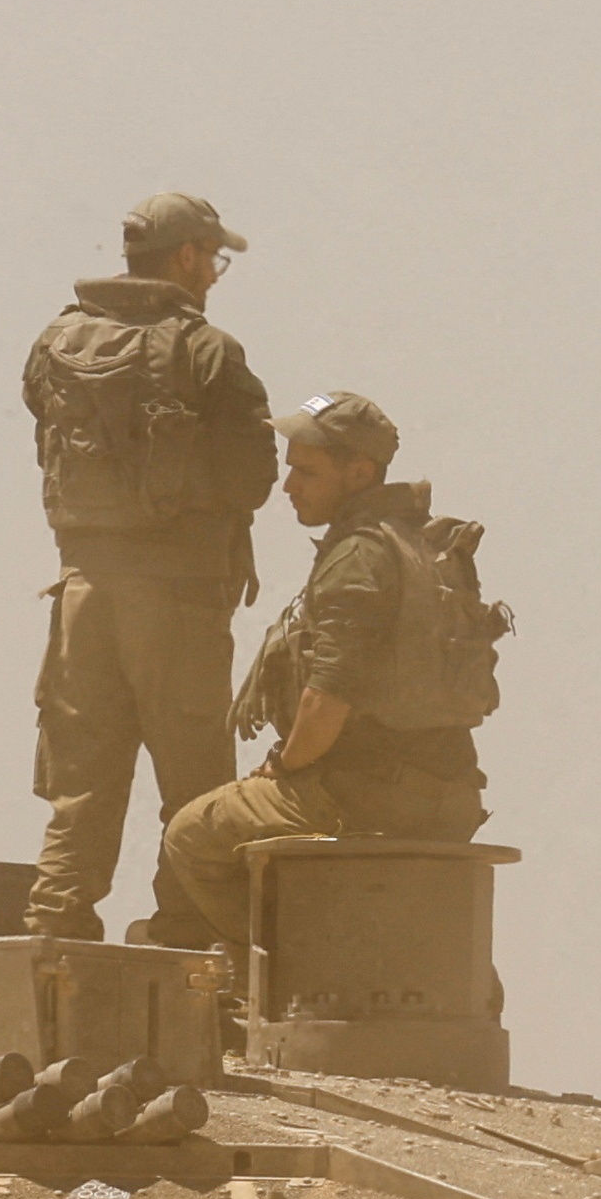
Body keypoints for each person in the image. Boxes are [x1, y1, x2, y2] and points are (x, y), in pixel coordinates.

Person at [17, 192, 277, 942]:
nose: (216, 276)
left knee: (82, 785)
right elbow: (254, 476)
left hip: (81, 596)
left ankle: (55, 931)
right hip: (179, 601)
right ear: (188, 257)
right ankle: (183, 932)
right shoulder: (206, 350)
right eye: (214, 259)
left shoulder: (55, 341)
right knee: (195, 783)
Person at [153, 390, 497, 952]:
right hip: (447, 789)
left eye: (307, 473)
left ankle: (283, 971)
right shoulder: (421, 546)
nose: (289, 487)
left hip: (364, 791)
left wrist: (282, 768)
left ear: (359, 473)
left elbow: (327, 701)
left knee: (191, 834)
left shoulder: (359, 558)